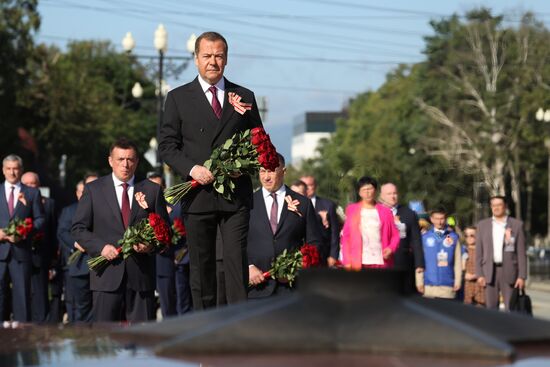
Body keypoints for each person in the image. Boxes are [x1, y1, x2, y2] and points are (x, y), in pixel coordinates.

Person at [159, 31, 263, 310]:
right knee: (202, 266)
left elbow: (259, 143)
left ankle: (238, 326)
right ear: (196, 59)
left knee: (235, 262)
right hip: (198, 195)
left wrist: (244, 164)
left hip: (235, 197)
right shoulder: (178, 98)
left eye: (219, 56)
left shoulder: (244, 95)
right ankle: (205, 327)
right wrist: (192, 169)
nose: (213, 62)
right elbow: (167, 147)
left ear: (226, 59)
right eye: (207, 56)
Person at [72, 139, 170, 322]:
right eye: (120, 159)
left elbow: (165, 231)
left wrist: (150, 246)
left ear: (137, 161)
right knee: (106, 340)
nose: (125, 164)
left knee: (142, 339)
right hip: (106, 276)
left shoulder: (152, 190)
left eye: (130, 159)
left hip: (141, 277)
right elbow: (78, 228)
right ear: (110, 161)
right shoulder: (94, 190)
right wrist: (101, 248)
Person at [248, 154, 322, 298]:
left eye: (271, 171)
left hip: (291, 288)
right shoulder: (247, 204)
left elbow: (315, 242)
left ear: (284, 171)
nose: (266, 177)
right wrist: (248, 267)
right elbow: (236, 240)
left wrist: (297, 268)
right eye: (262, 171)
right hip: (256, 288)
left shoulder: (304, 204)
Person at [0, 155, 45, 322]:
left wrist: (23, 231)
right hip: (0, 253)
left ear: (21, 170)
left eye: (16, 168)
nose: (12, 172)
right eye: (9, 168)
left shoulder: (32, 193)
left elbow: (40, 220)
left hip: (21, 253)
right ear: (3, 170)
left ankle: (22, 340)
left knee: (22, 298)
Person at [148, 173, 192, 317]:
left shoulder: (177, 208)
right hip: (160, 264)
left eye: (159, 187)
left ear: (164, 188)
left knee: (184, 304)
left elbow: (187, 233)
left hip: (180, 262)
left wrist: (182, 253)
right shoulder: (145, 210)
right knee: (167, 307)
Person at [475, 196, 527, 310]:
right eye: (493, 205)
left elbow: (521, 253)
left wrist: (522, 276)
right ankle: (491, 328)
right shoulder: (482, 225)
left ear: (505, 206)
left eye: (499, 205)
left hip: (510, 272)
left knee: (511, 307)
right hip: (489, 272)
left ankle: (510, 328)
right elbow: (478, 252)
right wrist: (479, 274)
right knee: (490, 308)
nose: (496, 208)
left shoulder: (517, 225)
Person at [58, 175, 97, 323]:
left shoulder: (108, 208)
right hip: (80, 265)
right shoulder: (70, 211)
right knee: (81, 308)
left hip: (104, 266)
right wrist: (77, 244)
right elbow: (62, 232)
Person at [340, 176, 400, 270]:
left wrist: (391, 248)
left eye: (370, 189)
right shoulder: (352, 210)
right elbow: (346, 237)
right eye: (364, 190)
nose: (367, 192)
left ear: (375, 191)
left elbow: (395, 235)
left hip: (381, 261)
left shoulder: (386, 211)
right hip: (359, 261)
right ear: (359, 193)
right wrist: (347, 261)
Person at [21, 171, 57, 322]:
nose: (30, 186)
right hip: (21, 254)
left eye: (33, 183)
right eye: (27, 184)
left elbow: (53, 230)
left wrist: (53, 260)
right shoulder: (15, 202)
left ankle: (41, 325)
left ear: (38, 185)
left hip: (41, 255)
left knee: (41, 293)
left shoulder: (49, 203)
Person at [379, 183, 424, 293]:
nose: (393, 196)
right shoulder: (375, 212)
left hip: (402, 262)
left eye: (395, 193)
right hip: (379, 261)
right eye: (389, 194)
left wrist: (419, 264)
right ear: (381, 196)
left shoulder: (409, 214)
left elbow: (416, 241)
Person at [418, 208, 461, 299]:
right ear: (431, 219)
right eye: (437, 219)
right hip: (429, 286)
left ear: (445, 219)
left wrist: (458, 281)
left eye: (442, 218)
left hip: (447, 286)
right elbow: (419, 261)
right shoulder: (424, 238)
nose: (440, 222)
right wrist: (419, 281)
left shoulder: (453, 237)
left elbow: (457, 261)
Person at [300, 175, 340, 266]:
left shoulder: (328, 205)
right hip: (301, 256)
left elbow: (334, 232)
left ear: (315, 186)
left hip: (323, 255)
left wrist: (333, 255)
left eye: (310, 185)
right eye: (304, 185)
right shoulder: (293, 203)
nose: (307, 188)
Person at [462, 226, 484, 306]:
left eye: (472, 235)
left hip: (480, 286)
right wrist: (464, 275)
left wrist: (477, 275)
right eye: (466, 235)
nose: (469, 238)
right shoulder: (462, 250)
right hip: (466, 286)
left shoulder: (483, 251)